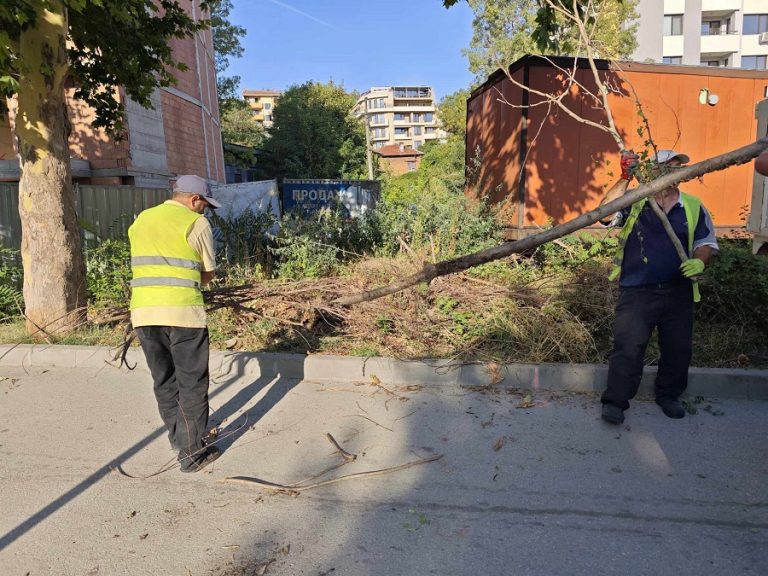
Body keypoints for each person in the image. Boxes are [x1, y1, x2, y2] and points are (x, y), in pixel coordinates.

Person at [598, 150, 719, 425]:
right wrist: (625, 177)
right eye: (670, 167)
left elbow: (706, 242)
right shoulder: (636, 202)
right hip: (638, 290)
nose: (676, 171)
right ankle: (616, 401)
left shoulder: (693, 206)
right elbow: (604, 215)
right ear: (653, 170)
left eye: (678, 167)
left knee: (678, 348)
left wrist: (700, 262)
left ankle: (669, 396)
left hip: (678, 291)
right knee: (628, 347)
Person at [128, 175, 222, 472]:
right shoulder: (196, 223)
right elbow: (207, 273)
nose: (205, 211)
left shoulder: (142, 219)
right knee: (192, 383)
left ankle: (179, 439)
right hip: (183, 315)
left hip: (143, 314)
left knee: (164, 380)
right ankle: (192, 454)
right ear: (195, 200)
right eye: (205, 205)